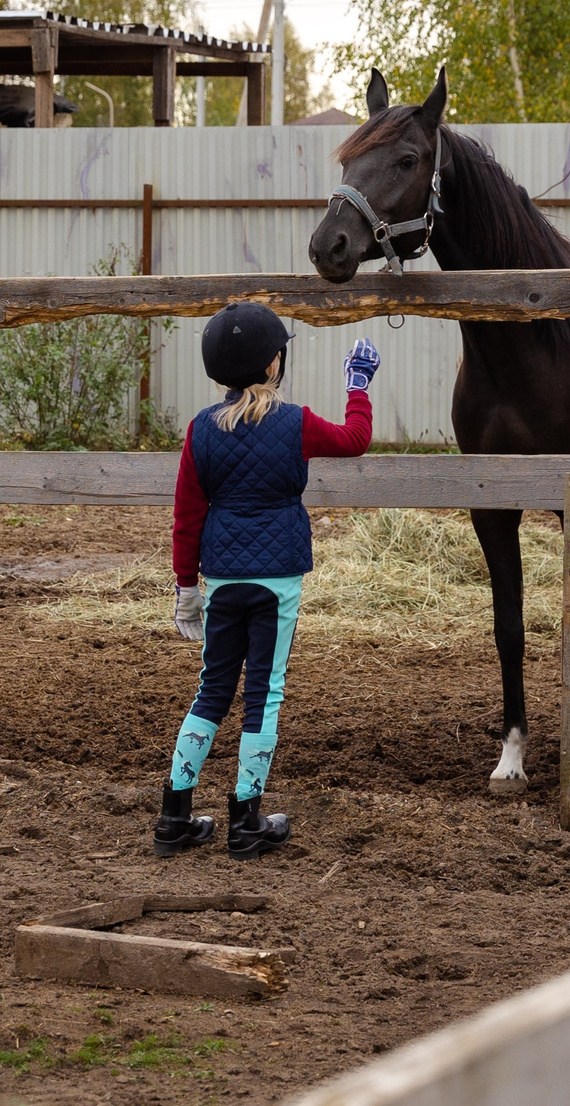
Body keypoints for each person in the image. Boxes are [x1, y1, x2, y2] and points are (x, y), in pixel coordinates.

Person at [154, 303, 379, 860]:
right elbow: (355, 440)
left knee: (213, 688)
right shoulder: (294, 421)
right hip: (277, 578)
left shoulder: (201, 430)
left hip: (223, 578)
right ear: (273, 364)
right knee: (264, 691)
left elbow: (187, 515)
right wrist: (358, 385)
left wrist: (187, 587)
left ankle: (174, 814)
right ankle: (246, 819)